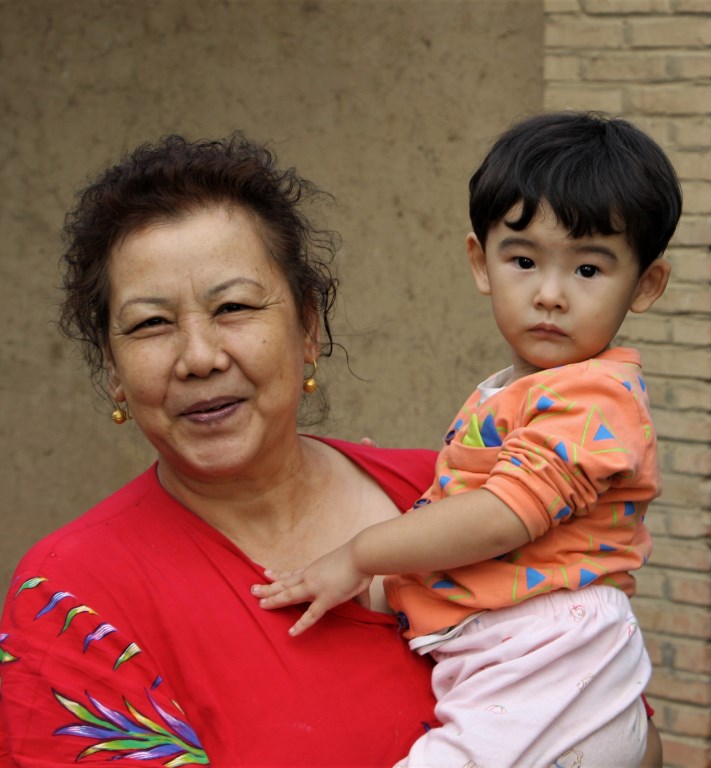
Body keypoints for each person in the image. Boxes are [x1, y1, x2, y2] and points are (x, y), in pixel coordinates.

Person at [0, 134, 441, 766]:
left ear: (307, 327)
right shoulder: (74, 599)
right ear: (112, 368)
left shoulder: (460, 496)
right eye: (150, 324)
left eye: (234, 307)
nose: (199, 357)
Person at [253, 112, 681, 768]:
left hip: (549, 651)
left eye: (588, 270)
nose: (549, 294)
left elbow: (503, 517)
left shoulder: (594, 397)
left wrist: (363, 554)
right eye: (524, 260)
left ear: (646, 284)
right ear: (481, 263)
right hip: (515, 657)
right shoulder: (512, 390)